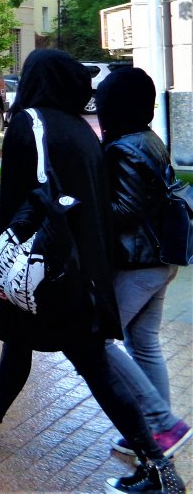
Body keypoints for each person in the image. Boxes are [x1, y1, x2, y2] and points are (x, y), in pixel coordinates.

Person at [0, 50, 185, 494]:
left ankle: (158, 467)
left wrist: (4, 270)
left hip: (46, 266)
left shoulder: (30, 123)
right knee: (21, 341)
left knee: (92, 363)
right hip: (76, 266)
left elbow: (27, 199)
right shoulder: (80, 130)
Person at [96, 68, 191, 459]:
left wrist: (81, 206)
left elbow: (126, 210)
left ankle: (164, 424)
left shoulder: (123, 148)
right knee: (143, 343)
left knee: (96, 339)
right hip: (159, 260)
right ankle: (157, 433)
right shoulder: (148, 138)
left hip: (138, 264)